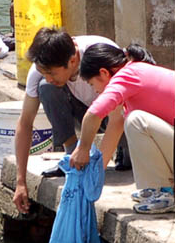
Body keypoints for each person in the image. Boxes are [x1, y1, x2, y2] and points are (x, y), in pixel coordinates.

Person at [13, 27, 125, 215]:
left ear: (72, 61)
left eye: (53, 73)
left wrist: (96, 171)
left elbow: (118, 120)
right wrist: (20, 181)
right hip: (83, 111)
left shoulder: (101, 53)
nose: (48, 77)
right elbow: (25, 124)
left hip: (118, 113)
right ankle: (71, 152)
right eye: (44, 72)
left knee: (128, 159)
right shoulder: (42, 70)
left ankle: (123, 151)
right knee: (46, 88)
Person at [69, 43, 175, 214]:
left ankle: (166, 193)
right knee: (133, 121)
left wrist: (83, 149)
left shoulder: (127, 75)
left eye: (92, 84)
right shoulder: (134, 73)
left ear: (104, 73)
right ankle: (157, 188)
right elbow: (115, 126)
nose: (95, 91)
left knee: (136, 122)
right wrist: (94, 176)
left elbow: (93, 115)